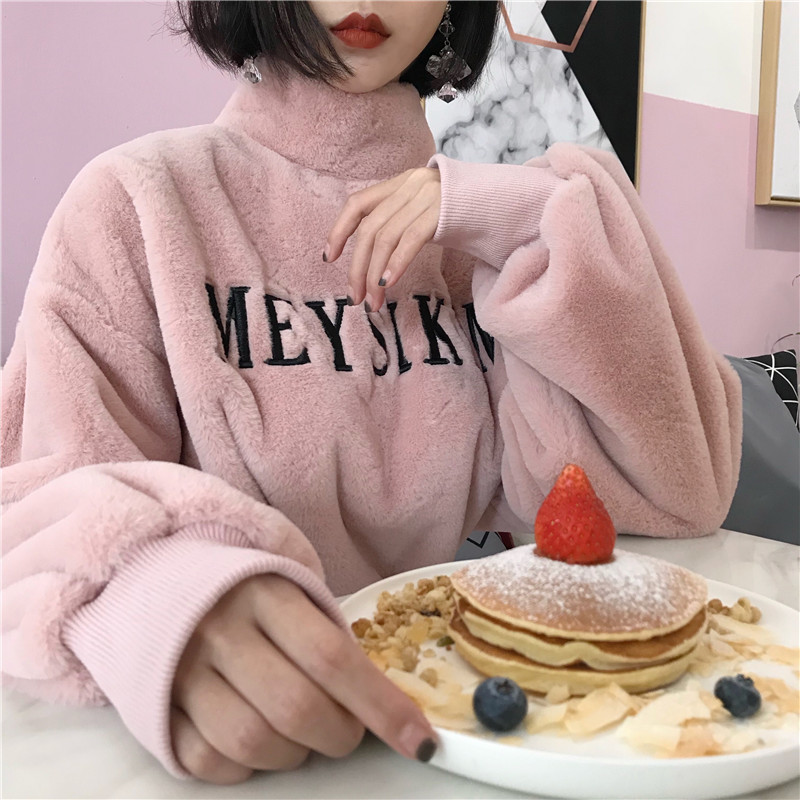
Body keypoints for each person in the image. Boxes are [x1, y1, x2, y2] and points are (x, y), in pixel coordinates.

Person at [1, 0, 742, 786]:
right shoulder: (140, 201)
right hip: (223, 760)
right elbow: (40, 509)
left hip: (451, 737)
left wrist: (534, 221)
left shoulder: (473, 236)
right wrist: (157, 602)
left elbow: (671, 496)